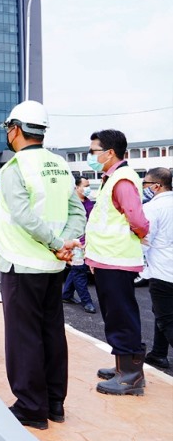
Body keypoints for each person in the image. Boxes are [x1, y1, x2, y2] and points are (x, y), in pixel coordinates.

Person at [0, 101, 85, 430]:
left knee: (24, 337)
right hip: (53, 267)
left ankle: (31, 407)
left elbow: (23, 215)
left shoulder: (15, 167)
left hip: (21, 264)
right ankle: (55, 403)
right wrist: (65, 243)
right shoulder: (59, 165)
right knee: (52, 333)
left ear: (16, 129)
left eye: (9, 128)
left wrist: (58, 244)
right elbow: (77, 212)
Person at [83, 129, 149, 396]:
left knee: (121, 316)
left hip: (117, 259)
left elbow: (137, 219)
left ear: (109, 153)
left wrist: (141, 234)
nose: (90, 156)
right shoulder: (111, 178)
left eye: (93, 151)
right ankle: (123, 366)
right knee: (115, 314)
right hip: (107, 258)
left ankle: (131, 377)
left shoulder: (121, 180)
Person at [138, 167, 173, 370]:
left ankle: (159, 354)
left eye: (145, 183)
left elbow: (145, 239)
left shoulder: (152, 208)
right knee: (162, 313)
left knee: (166, 319)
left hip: (163, 271)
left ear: (156, 186)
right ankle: (159, 354)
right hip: (167, 269)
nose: (144, 187)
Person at [61, 176, 97, 313]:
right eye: (85, 186)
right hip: (75, 242)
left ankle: (66, 295)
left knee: (76, 270)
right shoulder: (71, 205)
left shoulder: (89, 203)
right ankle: (87, 302)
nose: (88, 188)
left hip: (87, 242)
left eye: (89, 186)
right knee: (79, 271)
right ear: (76, 187)